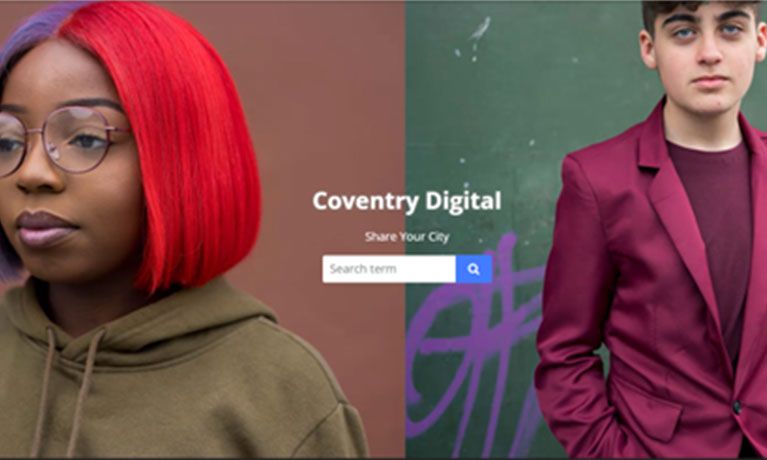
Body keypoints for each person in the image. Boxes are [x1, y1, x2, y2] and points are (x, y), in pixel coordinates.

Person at [0, 2, 368, 457]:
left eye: (86, 139)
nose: (31, 173)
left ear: (179, 159)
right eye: (8, 142)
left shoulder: (282, 392)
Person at [534, 1, 767, 457]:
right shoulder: (597, 180)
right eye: (683, 32)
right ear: (649, 48)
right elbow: (565, 354)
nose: (710, 53)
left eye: (731, 29)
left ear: (759, 41)